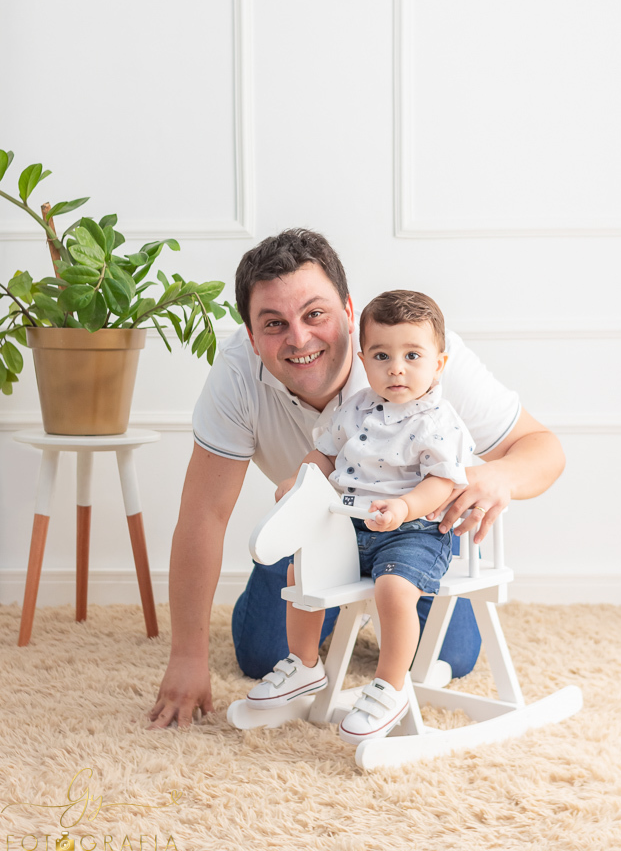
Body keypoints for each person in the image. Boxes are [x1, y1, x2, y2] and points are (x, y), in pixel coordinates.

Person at [149, 228, 565, 728]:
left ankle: (385, 661)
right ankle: (309, 660)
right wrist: (187, 658)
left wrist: (497, 476)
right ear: (251, 335)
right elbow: (203, 514)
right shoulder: (238, 375)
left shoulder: (419, 352)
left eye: (315, 314)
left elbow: (544, 450)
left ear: (349, 310)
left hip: (411, 531)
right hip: (324, 528)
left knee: (454, 655)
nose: (299, 338)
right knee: (261, 651)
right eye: (275, 323)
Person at [245, 290, 477, 744]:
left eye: (413, 355)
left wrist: (406, 506)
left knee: (393, 589)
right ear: (363, 358)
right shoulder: (356, 408)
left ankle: (390, 686)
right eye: (382, 355)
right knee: (301, 572)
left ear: (439, 363)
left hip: (415, 531)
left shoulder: (438, 420)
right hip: (350, 525)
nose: (396, 368)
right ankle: (306, 666)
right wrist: (302, 482)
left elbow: (443, 484)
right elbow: (326, 453)